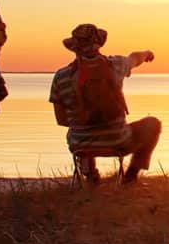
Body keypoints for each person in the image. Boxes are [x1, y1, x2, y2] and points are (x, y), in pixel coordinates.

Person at [49, 23, 161, 184]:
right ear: (99, 45)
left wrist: (88, 122)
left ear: (74, 47)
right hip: (118, 141)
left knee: (80, 131)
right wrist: (147, 53)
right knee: (153, 124)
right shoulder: (116, 65)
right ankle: (130, 177)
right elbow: (134, 58)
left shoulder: (61, 76)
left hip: (79, 145)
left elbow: (61, 120)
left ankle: (90, 174)